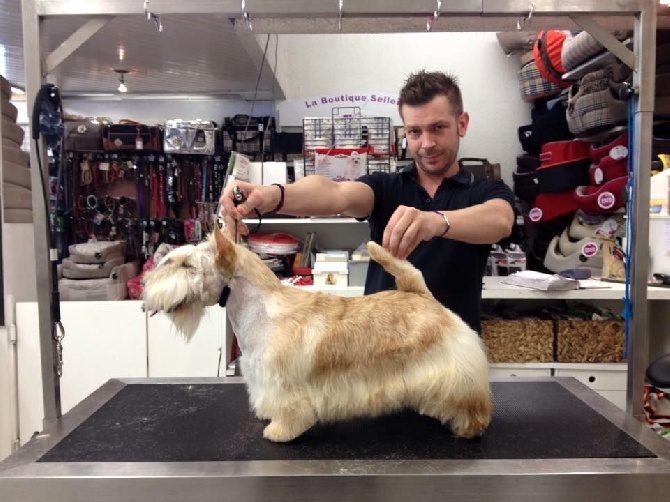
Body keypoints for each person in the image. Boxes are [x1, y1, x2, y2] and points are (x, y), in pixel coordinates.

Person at [220, 70, 515, 333]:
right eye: (415, 131)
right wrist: (272, 195)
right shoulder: (386, 187)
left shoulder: (484, 190)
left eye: (438, 128)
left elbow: (500, 220)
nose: (426, 144)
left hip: (450, 357)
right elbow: (335, 195)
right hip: (380, 355)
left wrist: (435, 221)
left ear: (461, 124)